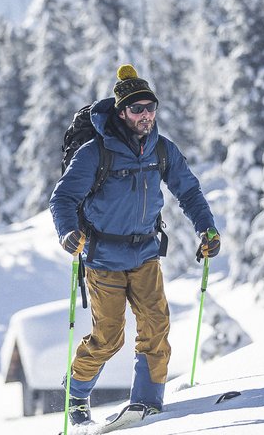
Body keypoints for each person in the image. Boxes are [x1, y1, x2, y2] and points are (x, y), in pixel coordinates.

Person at [49, 64, 220, 425]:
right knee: (108, 338)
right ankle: (75, 394)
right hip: (103, 257)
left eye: (150, 107)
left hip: (145, 254)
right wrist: (67, 232)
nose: (145, 115)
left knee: (156, 328)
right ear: (122, 112)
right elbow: (62, 198)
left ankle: (147, 403)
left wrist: (207, 228)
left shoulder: (162, 149)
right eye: (137, 109)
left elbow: (188, 190)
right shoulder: (96, 152)